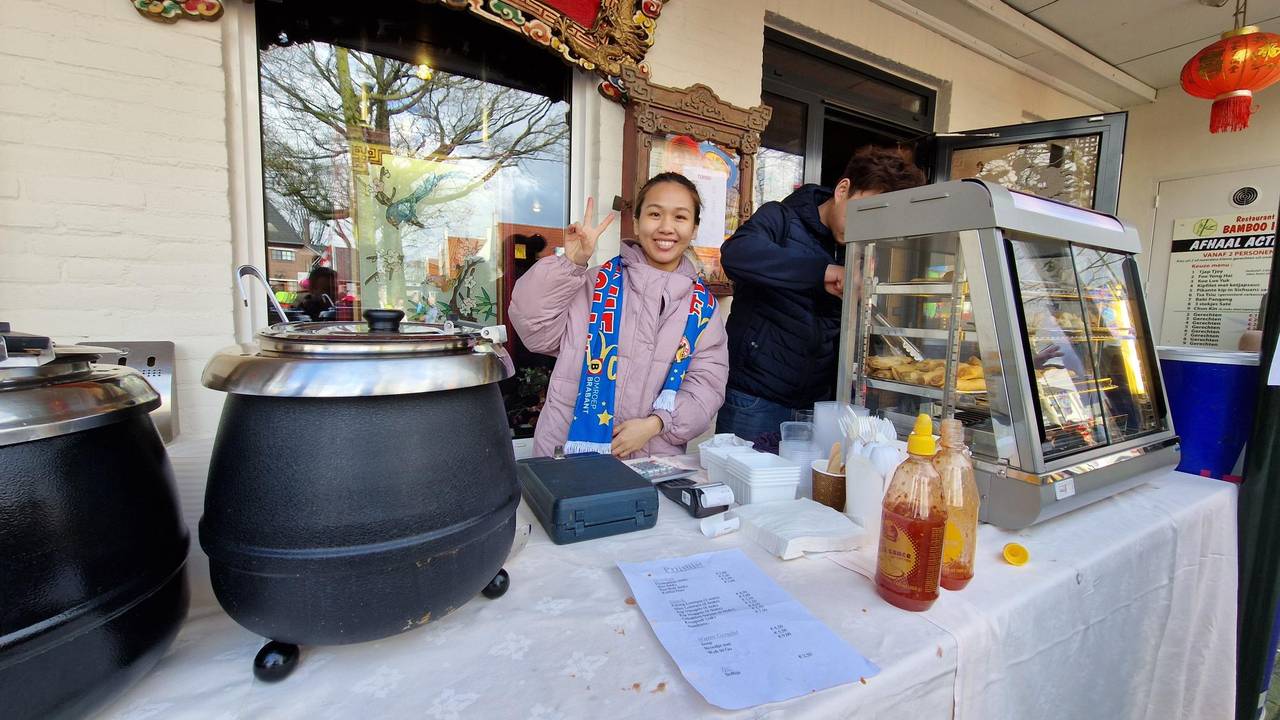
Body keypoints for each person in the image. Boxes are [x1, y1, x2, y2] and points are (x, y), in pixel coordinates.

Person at [509, 172, 728, 458]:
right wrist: (570, 262)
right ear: (636, 222)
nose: (665, 227)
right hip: (565, 455)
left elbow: (706, 387)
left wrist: (656, 424)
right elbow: (535, 330)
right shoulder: (593, 284)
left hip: (652, 462)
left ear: (694, 228)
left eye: (680, 217)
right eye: (654, 214)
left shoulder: (702, 310)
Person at [716, 146, 926, 443]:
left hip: (817, 407)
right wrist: (823, 271)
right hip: (754, 399)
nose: (869, 228)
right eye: (866, 213)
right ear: (843, 190)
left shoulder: (858, 249)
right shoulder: (780, 218)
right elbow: (736, 254)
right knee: (741, 487)